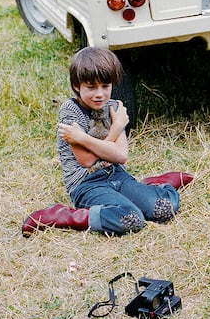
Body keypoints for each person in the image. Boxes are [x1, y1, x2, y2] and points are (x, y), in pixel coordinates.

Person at [22, 47, 193, 237]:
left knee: (164, 209)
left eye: (105, 86)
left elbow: (121, 156)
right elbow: (86, 161)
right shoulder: (70, 111)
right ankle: (64, 216)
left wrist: (86, 137)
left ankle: (154, 186)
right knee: (131, 219)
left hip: (117, 175)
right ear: (77, 85)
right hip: (86, 183)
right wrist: (114, 129)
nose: (99, 94)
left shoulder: (113, 107)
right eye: (91, 87)